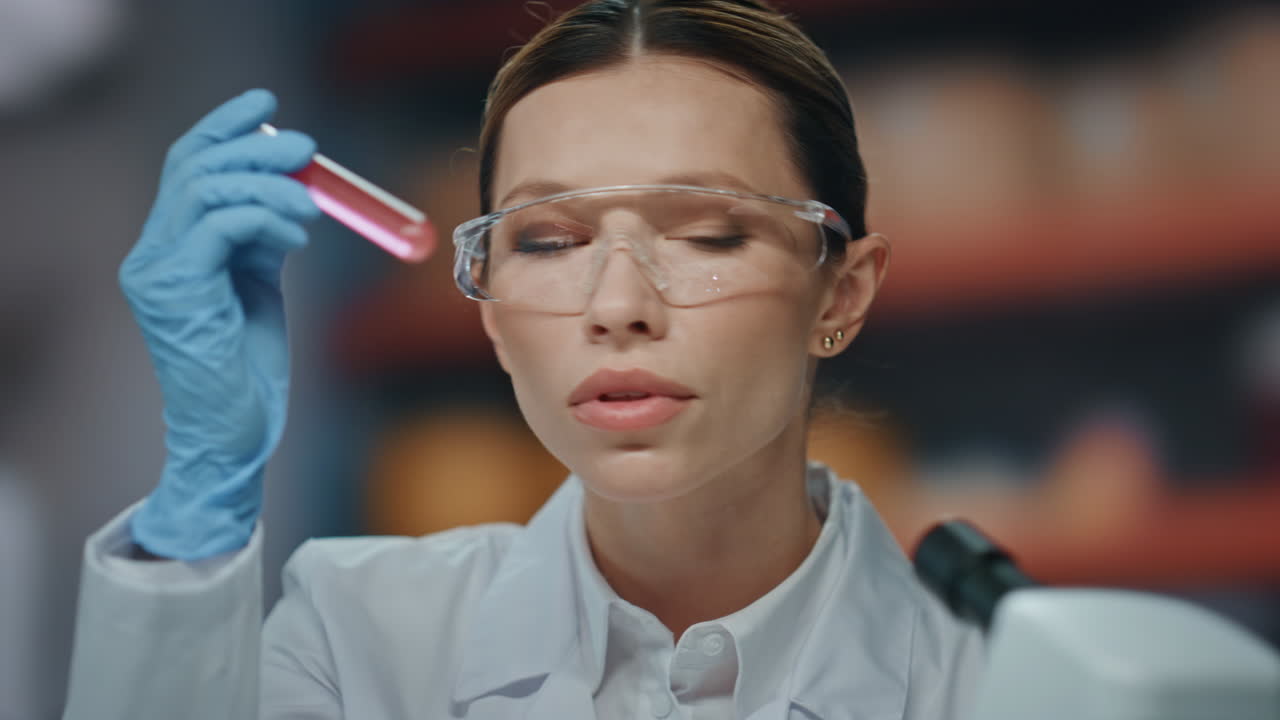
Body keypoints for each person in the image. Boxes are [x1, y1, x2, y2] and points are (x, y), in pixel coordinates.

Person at [63, 1, 984, 718]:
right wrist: (197, 509)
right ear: (492, 310)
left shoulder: (1000, 679)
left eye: (709, 233)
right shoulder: (359, 639)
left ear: (843, 292)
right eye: (547, 244)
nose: (617, 307)